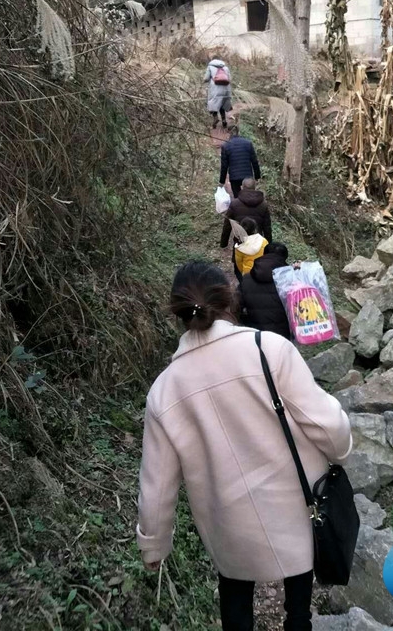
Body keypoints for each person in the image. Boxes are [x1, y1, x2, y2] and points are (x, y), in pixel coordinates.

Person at [137, 261, 352, 631]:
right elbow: (326, 423)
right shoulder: (268, 349)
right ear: (229, 298)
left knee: (235, 598)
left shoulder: (163, 392)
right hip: (295, 509)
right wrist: (341, 450)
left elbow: (157, 487)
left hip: (227, 525)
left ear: (178, 314)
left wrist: (154, 546)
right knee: (299, 607)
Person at [240, 242, 291, 339]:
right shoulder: (290, 279)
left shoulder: (246, 279)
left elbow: (236, 307)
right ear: (284, 258)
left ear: (263, 254)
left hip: (256, 335)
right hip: (283, 336)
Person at [221, 177, 272, 249]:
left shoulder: (234, 204)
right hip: (257, 243)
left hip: (240, 242)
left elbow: (227, 225)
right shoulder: (263, 205)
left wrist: (224, 243)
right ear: (255, 187)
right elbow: (267, 227)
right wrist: (269, 245)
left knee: (239, 259)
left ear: (242, 187)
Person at [219, 125, 262, 199]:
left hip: (234, 177)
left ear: (229, 133)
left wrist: (222, 181)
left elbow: (224, 166)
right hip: (247, 176)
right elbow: (254, 161)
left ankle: (240, 208)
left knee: (238, 198)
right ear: (238, 132)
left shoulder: (226, 146)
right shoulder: (248, 143)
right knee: (250, 197)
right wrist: (257, 176)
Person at [204, 56, 232, 129]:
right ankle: (223, 120)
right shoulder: (225, 67)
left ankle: (215, 118)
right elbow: (229, 79)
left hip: (215, 89)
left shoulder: (210, 67)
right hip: (225, 89)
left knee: (213, 103)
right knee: (222, 104)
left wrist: (204, 80)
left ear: (212, 60)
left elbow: (206, 78)